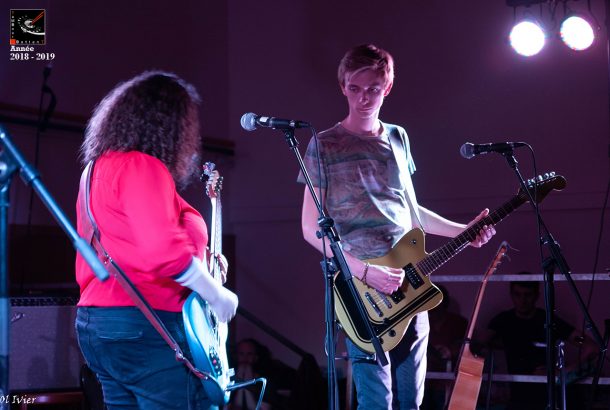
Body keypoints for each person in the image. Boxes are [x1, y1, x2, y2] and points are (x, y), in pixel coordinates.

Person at [298, 44, 496, 410]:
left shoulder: (397, 137)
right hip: (360, 285)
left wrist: (463, 231)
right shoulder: (323, 144)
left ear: (387, 87)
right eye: (355, 88)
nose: (364, 98)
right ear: (343, 87)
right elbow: (311, 228)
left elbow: (409, 210)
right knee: (376, 401)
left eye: (373, 88)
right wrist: (364, 271)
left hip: (409, 279)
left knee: (411, 400)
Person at [75, 71, 239, 410]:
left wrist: (201, 260)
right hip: (146, 324)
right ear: (170, 124)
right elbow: (164, 253)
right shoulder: (142, 166)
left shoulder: (95, 169)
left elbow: (125, 243)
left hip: (98, 325)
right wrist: (217, 294)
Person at [486, 272, 597, 410]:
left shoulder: (549, 321)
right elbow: (478, 344)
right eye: (517, 294)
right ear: (511, 295)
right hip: (518, 396)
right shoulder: (503, 320)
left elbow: (591, 347)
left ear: (537, 295)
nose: (522, 300)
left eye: (528, 295)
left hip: (547, 396)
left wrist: (564, 370)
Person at [422, 285, 468, 410]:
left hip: (449, 382)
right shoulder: (420, 323)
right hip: (423, 381)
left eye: (436, 302)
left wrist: (450, 351)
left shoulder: (458, 323)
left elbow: (467, 347)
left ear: (444, 303)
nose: (433, 307)